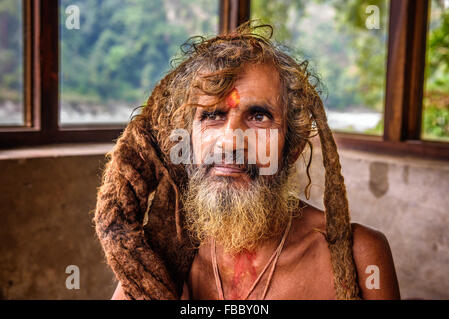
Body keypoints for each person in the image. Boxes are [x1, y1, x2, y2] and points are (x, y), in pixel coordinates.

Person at [94, 23, 400, 300]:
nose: (230, 141)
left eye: (258, 116)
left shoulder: (359, 256)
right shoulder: (163, 256)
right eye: (212, 115)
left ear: (291, 146)